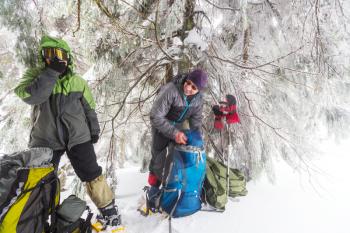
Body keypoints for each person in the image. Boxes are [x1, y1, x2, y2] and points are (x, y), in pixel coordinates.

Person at [14, 35, 120, 226]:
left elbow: (89, 107)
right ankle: (37, 220)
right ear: (43, 57)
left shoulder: (78, 82)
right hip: (45, 140)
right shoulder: (35, 77)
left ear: (68, 57)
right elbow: (31, 96)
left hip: (78, 137)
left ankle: (110, 212)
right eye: (49, 54)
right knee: (42, 180)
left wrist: (93, 129)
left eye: (59, 54)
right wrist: (50, 74)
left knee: (92, 174)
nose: (54, 59)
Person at [146, 69, 208, 208]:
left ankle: (169, 190)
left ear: (199, 90)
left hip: (178, 128)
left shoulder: (198, 101)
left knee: (174, 160)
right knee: (158, 160)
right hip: (161, 127)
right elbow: (155, 115)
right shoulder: (171, 90)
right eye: (188, 83)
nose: (188, 87)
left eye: (194, 87)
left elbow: (196, 123)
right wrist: (175, 133)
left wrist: (197, 140)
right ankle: (153, 191)